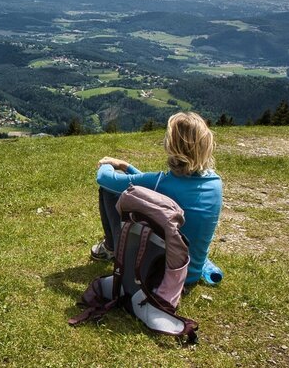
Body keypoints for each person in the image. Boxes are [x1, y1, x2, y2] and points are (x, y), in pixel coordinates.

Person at [92, 112, 223, 286]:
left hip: (160, 275)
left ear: (172, 146)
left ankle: (110, 248)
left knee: (109, 191)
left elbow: (105, 179)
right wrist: (126, 166)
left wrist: (107, 164)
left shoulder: (162, 182)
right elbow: (154, 187)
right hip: (190, 273)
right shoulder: (215, 183)